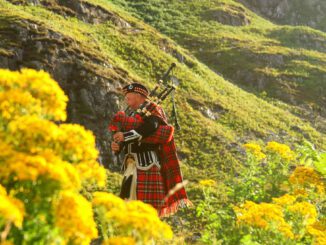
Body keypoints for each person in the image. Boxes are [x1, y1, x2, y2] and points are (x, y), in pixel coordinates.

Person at [111, 82, 192, 217]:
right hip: (131, 165)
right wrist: (118, 147)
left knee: (146, 210)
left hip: (147, 165)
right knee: (127, 207)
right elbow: (128, 140)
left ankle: (146, 236)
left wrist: (126, 136)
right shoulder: (131, 114)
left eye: (128, 96)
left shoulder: (153, 109)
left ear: (138, 96)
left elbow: (151, 128)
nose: (126, 99)